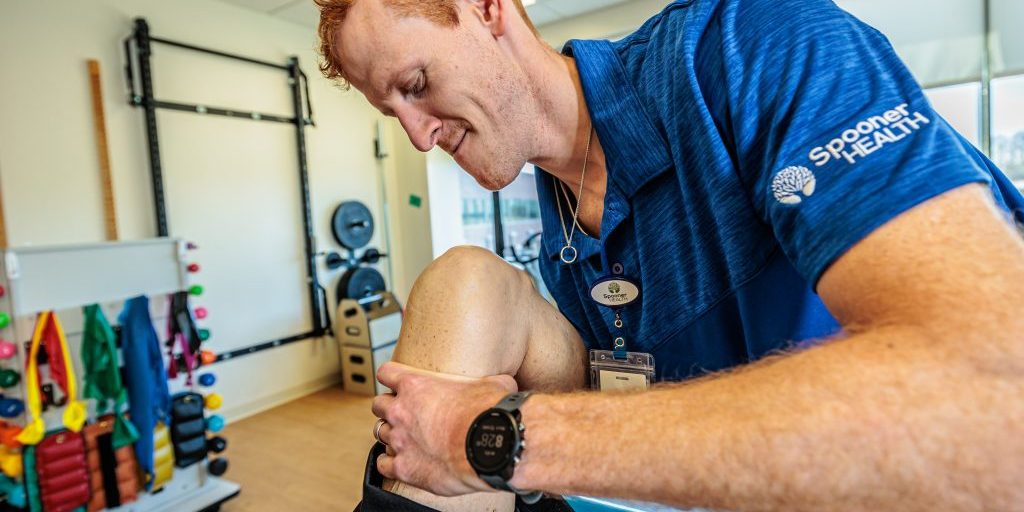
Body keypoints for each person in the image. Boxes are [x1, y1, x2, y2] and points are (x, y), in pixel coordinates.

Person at [316, 0, 1024, 510]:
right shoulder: (565, 236)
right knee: (462, 281)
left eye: (416, 86)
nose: (416, 135)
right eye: (392, 113)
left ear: (487, 9)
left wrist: (492, 438)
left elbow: (996, 396)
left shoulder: (749, 44)